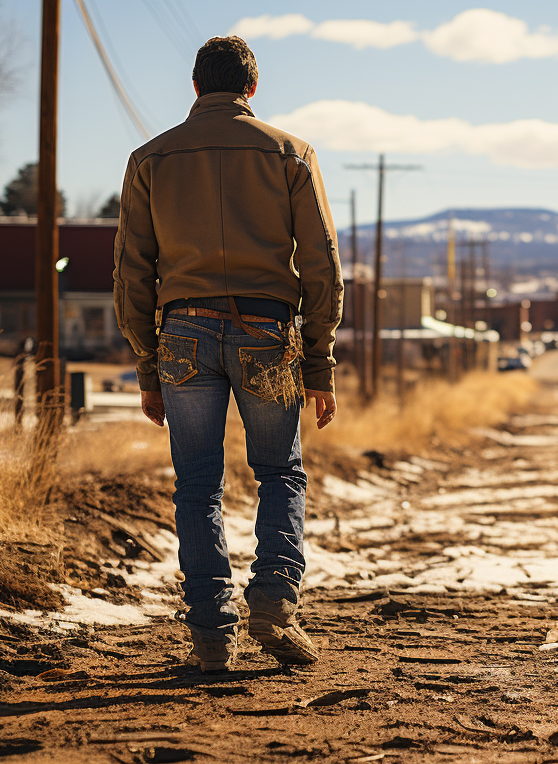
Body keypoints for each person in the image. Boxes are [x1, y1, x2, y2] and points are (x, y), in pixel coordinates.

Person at [112, 36, 344, 672]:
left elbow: (132, 270)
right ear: (253, 87)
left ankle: (212, 633)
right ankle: (273, 598)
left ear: (194, 88)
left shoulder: (149, 159)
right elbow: (321, 265)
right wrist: (319, 361)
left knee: (197, 483)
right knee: (278, 472)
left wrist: (147, 365)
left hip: (182, 336)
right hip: (268, 332)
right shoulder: (290, 154)